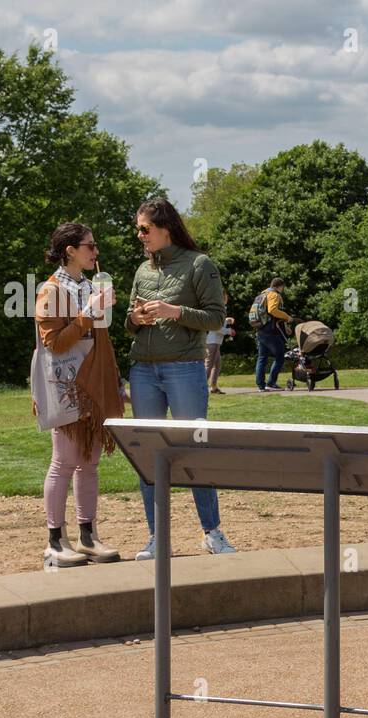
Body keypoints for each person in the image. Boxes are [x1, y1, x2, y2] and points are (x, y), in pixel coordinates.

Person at [125, 197, 237, 558]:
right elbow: (128, 322)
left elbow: (216, 318)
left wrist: (175, 311)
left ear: (165, 228)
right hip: (143, 370)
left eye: (144, 229)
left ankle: (212, 532)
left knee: (193, 449)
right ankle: (158, 538)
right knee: (150, 456)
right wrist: (135, 319)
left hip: (184, 370)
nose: (140, 236)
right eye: (138, 230)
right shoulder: (142, 271)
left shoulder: (200, 264)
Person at [35, 222, 125, 568]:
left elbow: (101, 341)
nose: (95, 251)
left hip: (92, 384)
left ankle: (88, 536)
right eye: (90, 245)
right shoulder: (51, 289)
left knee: (90, 462)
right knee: (64, 461)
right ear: (70, 250)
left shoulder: (88, 284)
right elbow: (53, 343)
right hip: (66, 385)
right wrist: (89, 314)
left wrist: (113, 381)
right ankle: (55, 541)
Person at [253, 278, 293, 391]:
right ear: (279, 286)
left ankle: (261, 386)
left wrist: (285, 326)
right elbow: (272, 310)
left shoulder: (262, 295)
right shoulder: (274, 295)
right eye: (283, 287)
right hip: (271, 331)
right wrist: (287, 317)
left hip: (261, 329)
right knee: (280, 356)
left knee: (262, 358)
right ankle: (271, 383)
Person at [206, 290, 235, 394]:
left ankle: (213, 387)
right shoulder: (218, 308)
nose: (227, 298)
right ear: (222, 297)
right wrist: (229, 331)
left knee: (217, 365)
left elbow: (219, 323)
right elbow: (215, 326)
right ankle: (201, 388)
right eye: (226, 296)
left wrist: (227, 320)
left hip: (216, 342)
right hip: (212, 342)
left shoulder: (220, 309)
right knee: (209, 365)